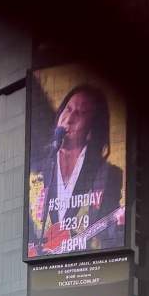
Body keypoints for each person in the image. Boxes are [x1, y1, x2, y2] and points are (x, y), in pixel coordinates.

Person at [27, 84, 124, 258]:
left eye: (80, 113)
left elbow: (110, 240)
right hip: (43, 269)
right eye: (68, 109)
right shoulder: (36, 170)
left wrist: (120, 226)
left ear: (91, 130)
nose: (69, 118)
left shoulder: (108, 175)